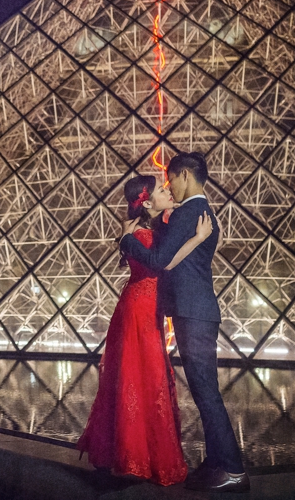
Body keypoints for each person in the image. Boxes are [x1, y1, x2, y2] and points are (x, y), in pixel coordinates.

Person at [120, 152, 248, 493]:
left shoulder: (188, 212)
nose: (169, 187)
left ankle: (233, 470)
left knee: (206, 392)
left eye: (171, 179)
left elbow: (161, 260)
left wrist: (126, 239)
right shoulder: (198, 213)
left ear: (186, 176)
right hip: (197, 311)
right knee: (206, 390)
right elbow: (174, 253)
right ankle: (217, 462)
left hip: (194, 313)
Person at [77, 174, 212, 486]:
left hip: (141, 305)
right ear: (148, 201)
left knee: (137, 377)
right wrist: (198, 239)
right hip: (139, 310)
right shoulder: (137, 233)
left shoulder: (144, 228)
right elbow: (162, 264)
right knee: (142, 378)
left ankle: (121, 455)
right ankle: (136, 457)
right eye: (163, 190)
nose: (169, 191)